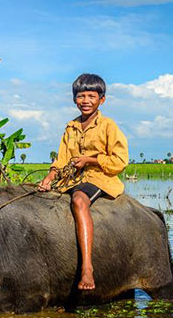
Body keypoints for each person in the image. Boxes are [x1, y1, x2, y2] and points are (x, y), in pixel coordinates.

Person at [38, 74, 128, 290]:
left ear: (102, 100)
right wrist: (50, 177)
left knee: (79, 200)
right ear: (74, 99)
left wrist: (90, 160)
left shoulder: (108, 125)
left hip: (98, 178)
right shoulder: (70, 127)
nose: (85, 101)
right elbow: (61, 160)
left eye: (91, 96)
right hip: (71, 179)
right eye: (81, 96)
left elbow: (120, 160)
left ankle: (87, 267)